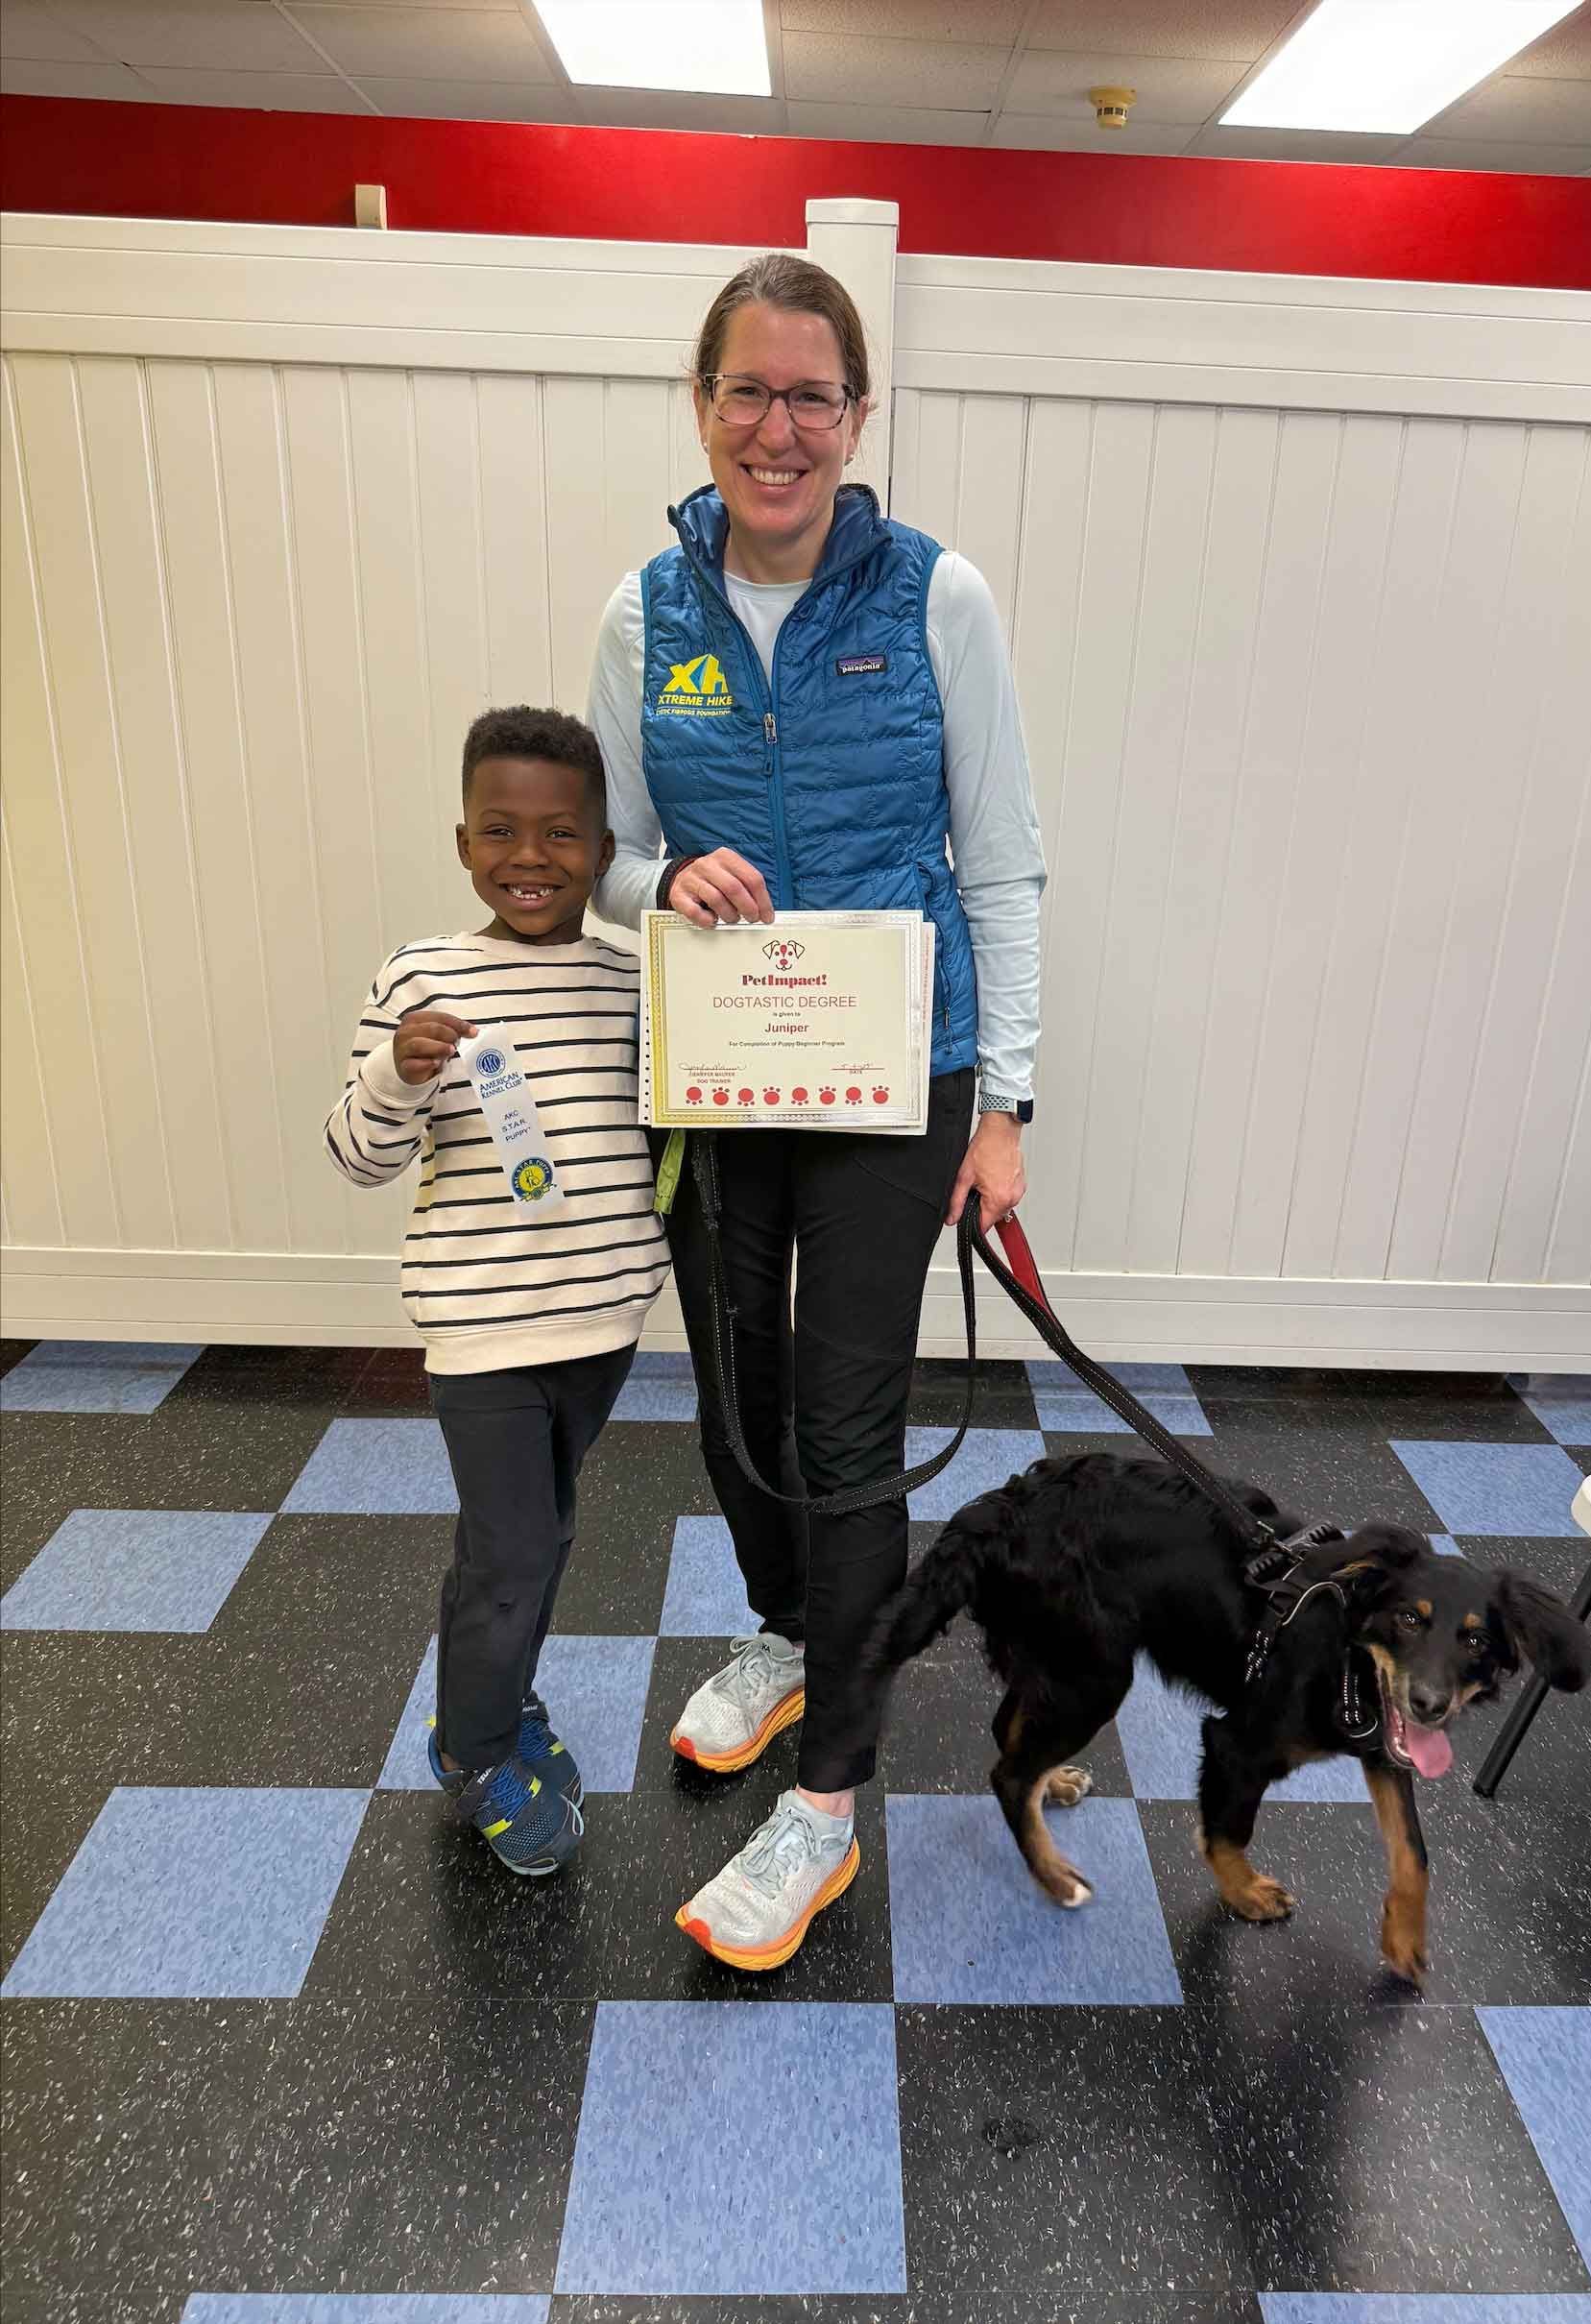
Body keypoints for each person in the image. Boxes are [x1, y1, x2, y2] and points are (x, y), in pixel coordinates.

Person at [589, 253, 1046, 1968]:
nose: (777, 429)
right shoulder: (644, 612)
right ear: (701, 406)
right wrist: (660, 876)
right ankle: (789, 1633)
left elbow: (1000, 861)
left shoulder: (938, 600)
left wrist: (1003, 1104)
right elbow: (602, 852)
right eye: (747, 391)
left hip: (887, 1079)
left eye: (812, 395)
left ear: (860, 415)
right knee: (734, 1403)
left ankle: (829, 1807)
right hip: (713, 1078)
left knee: (850, 1431)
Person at [324, 707, 669, 1876]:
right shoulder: (421, 976)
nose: (531, 856)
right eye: (501, 830)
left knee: (535, 1533)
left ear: (603, 844)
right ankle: (472, 1750)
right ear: (461, 840)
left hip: (604, 1315)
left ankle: (500, 1700)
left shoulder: (635, 972)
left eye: (562, 833)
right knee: (513, 1546)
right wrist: (394, 1071)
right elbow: (357, 1155)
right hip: (479, 1327)